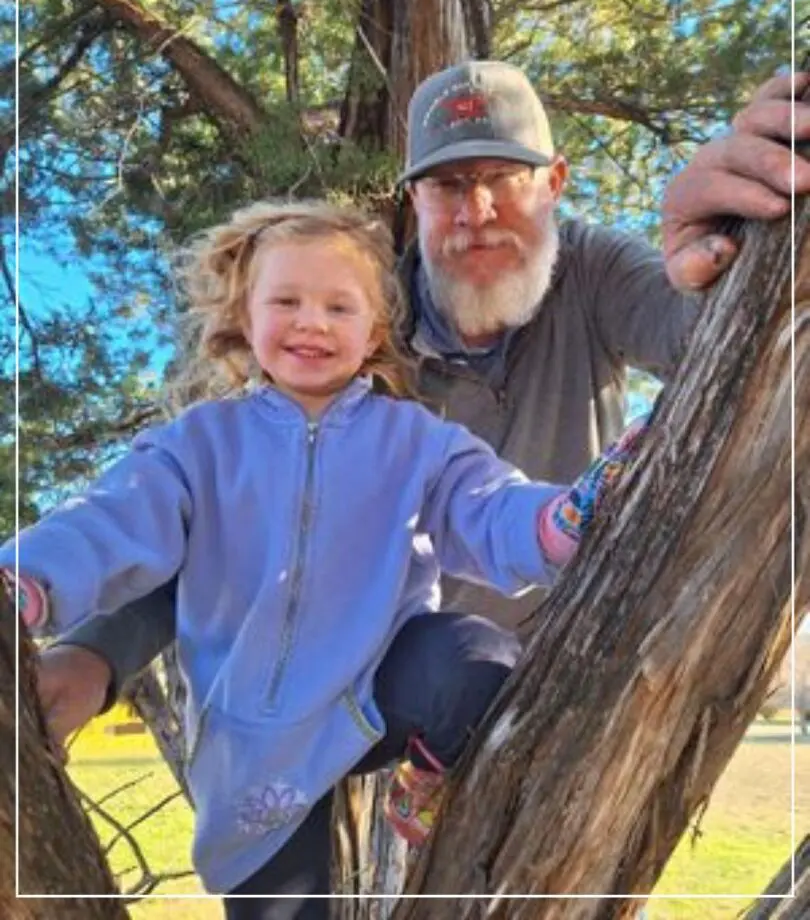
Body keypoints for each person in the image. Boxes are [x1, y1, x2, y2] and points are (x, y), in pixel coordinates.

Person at [24, 61, 810, 875]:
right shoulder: (357, 330)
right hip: (362, 671)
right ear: (415, 202)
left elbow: (713, 344)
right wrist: (101, 653)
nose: (475, 213)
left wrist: (740, 247)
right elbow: (219, 524)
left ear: (556, 182)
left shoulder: (594, 271)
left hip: (552, 661)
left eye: (503, 178)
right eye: (446, 186)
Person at [3, 201, 644, 916]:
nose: (312, 322)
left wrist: (554, 522)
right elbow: (110, 519)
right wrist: (28, 577)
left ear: (373, 333)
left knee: (480, 660)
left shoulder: (415, 440)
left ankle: (424, 781)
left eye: (339, 306)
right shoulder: (198, 445)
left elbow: (489, 505)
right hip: (256, 737)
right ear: (245, 317)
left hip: (372, 687)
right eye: (286, 302)